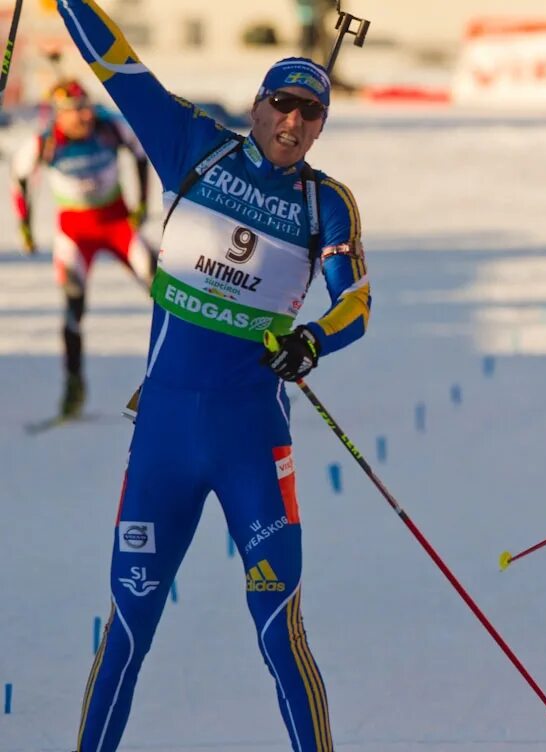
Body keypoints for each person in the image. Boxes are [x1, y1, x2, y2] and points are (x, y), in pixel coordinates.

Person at [56, 1, 371, 750]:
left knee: (278, 632)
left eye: (311, 113)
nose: (293, 122)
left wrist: (312, 342)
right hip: (163, 439)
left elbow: (355, 303)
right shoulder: (194, 146)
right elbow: (118, 66)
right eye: (282, 105)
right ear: (257, 104)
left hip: (251, 447)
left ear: (321, 125)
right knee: (126, 633)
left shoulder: (324, 203)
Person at [11, 78, 153, 418]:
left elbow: (140, 155)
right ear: (59, 115)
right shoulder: (46, 142)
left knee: (167, 294)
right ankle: (74, 388)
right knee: (74, 307)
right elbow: (20, 178)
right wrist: (26, 226)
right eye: (75, 112)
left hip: (117, 223)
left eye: (86, 109)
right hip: (75, 232)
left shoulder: (108, 129)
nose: (84, 118)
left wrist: (142, 204)